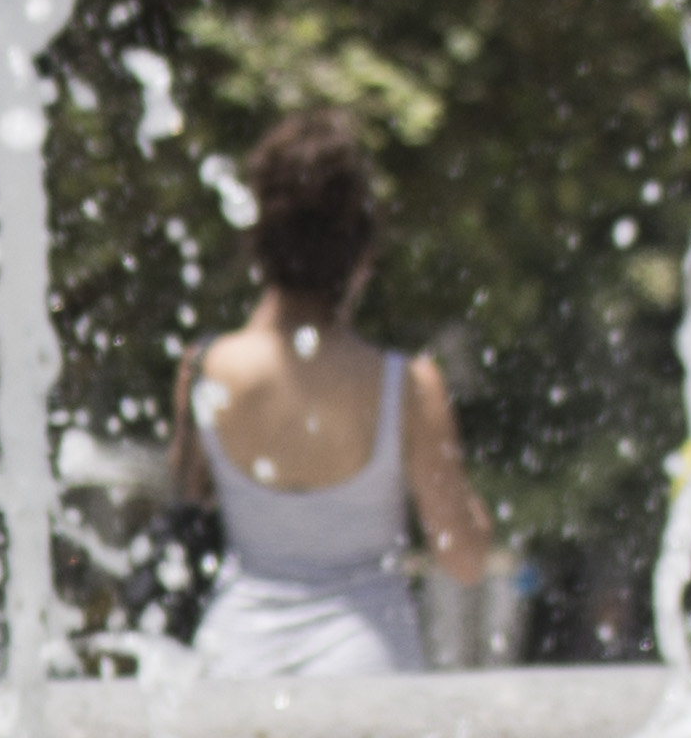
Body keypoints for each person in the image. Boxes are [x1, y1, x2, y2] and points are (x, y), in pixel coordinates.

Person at [167, 106, 499, 677]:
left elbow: (186, 504)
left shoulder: (205, 370)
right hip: (367, 660)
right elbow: (463, 558)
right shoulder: (408, 385)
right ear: (360, 254)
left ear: (259, 242)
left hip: (235, 659)